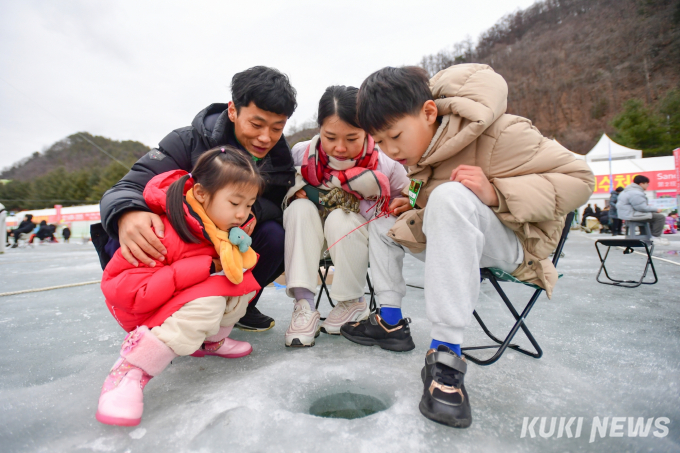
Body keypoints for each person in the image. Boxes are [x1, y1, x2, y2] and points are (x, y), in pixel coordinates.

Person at [341, 64, 594, 428]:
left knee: (449, 196)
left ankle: (445, 354)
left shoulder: (503, 132)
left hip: (515, 242)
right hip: (460, 235)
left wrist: (497, 192)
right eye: (380, 143)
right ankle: (390, 320)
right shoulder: (421, 151)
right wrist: (411, 205)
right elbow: (432, 193)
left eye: (395, 136)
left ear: (429, 112)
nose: (390, 151)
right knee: (384, 223)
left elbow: (581, 179)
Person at [98, 66, 297, 332]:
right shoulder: (187, 141)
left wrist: (253, 211)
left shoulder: (279, 159)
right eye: (256, 124)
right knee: (132, 228)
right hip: (184, 239)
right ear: (233, 110)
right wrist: (126, 212)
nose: (265, 137)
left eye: (277, 128)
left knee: (276, 235)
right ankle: (154, 318)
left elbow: (277, 202)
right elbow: (128, 186)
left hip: (226, 242)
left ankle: (237, 306)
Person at [95, 146, 262, 427]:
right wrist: (204, 268)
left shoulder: (215, 229)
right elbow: (128, 292)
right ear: (200, 194)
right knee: (209, 301)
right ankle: (130, 370)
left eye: (248, 205)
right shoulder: (162, 230)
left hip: (171, 298)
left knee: (241, 288)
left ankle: (210, 342)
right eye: (235, 203)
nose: (242, 214)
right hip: (139, 310)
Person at [281, 86, 409, 347]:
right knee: (298, 207)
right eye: (330, 137)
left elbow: (413, 193)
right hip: (309, 237)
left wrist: (406, 201)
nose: (340, 148)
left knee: (342, 216)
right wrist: (295, 194)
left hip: (354, 238)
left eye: (352, 138)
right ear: (319, 129)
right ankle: (304, 304)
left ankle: (352, 302)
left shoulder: (386, 162)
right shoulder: (301, 155)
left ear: (367, 132)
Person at [617, 175, 669, 245]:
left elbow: (639, 206)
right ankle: (655, 237)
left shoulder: (628, 190)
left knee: (650, 216)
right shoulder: (636, 193)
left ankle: (647, 235)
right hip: (632, 215)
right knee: (660, 217)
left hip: (627, 214)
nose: (648, 185)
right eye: (647, 183)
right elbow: (641, 208)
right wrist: (656, 209)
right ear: (641, 184)